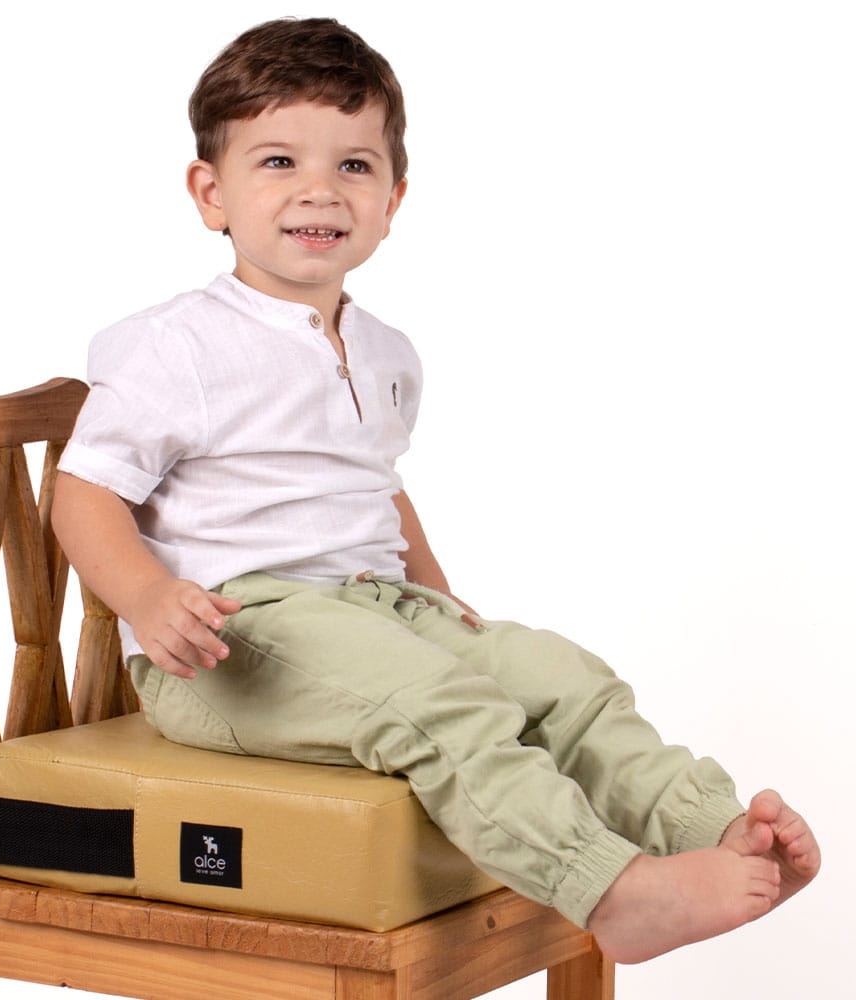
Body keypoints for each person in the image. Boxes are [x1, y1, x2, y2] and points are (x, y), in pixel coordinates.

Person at [51, 17, 819, 964]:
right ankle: (610, 890)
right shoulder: (178, 345)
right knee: (437, 701)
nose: (319, 190)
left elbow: (379, 491)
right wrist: (145, 596)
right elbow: (84, 491)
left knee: (559, 677)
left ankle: (703, 824)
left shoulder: (386, 353)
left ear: (393, 201)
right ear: (211, 193)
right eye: (279, 161)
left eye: (355, 166)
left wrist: (443, 606)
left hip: (372, 611)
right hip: (232, 643)